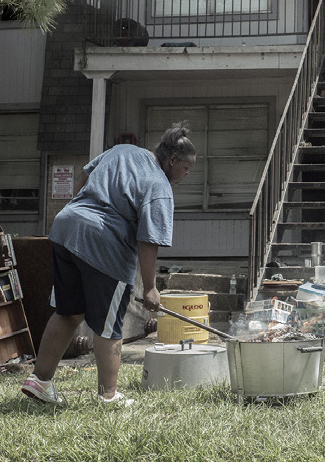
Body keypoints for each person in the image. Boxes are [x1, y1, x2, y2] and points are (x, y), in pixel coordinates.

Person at [21, 123, 197, 405]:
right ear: (172, 160)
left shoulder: (123, 151)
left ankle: (40, 381)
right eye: (186, 168)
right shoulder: (160, 186)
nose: (186, 174)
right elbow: (148, 241)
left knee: (68, 312)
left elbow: (85, 174)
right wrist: (150, 288)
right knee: (109, 323)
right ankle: (109, 396)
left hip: (66, 227)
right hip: (103, 242)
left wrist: (80, 211)